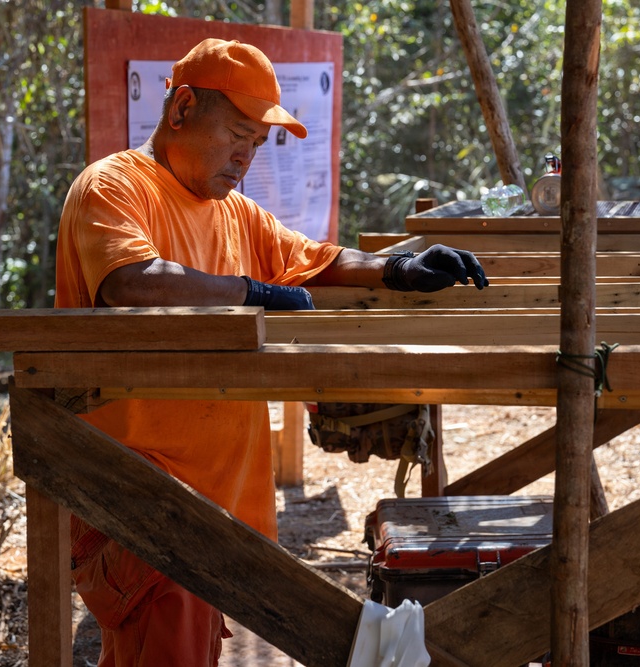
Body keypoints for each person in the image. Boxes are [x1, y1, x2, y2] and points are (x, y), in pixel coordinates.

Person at [54, 37, 488, 666]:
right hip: (143, 495)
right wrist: (252, 292)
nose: (246, 154)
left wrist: (400, 268)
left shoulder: (236, 214)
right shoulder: (114, 188)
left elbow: (314, 260)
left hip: (216, 502)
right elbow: (130, 281)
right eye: (236, 132)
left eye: (257, 143)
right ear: (180, 109)